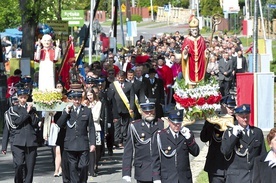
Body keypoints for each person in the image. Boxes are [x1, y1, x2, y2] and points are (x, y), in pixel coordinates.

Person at [57, 87, 96, 183]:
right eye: (75, 99)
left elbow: (91, 128)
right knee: (73, 167)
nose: (77, 101)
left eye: (78, 99)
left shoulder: (86, 110)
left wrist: (92, 143)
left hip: (83, 144)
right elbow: (60, 124)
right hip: (70, 144)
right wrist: (66, 112)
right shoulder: (68, 111)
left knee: (83, 166)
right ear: (72, 100)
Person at [221, 104, 267, 183]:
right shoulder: (229, 132)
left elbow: (262, 155)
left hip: (254, 177)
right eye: (242, 117)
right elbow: (225, 151)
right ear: (237, 117)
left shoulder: (257, 132)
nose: (245, 119)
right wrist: (234, 136)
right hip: (236, 178)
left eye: (247, 116)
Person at [152, 109, 200, 183]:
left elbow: (196, 152)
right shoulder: (160, 136)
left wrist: (189, 138)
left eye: (179, 123)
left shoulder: (186, 134)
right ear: (169, 121)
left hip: (184, 179)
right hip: (168, 179)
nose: (177, 126)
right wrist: (156, 177)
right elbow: (155, 159)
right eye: (174, 123)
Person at [122, 102, 164, 183]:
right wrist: (126, 172)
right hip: (142, 170)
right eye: (146, 112)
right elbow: (128, 150)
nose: (149, 113)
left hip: (160, 169)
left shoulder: (161, 124)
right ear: (141, 111)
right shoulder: (135, 126)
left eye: (151, 111)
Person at [200, 95, 236, 183]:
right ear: (222, 106)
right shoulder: (213, 120)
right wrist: (211, 122)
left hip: (232, 166)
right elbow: (204, 138)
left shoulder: (237, 121)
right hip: (216, 165)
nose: (232, 110)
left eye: (233, 107)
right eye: (229, 107)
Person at [8, 87, 40, 183]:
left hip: (31, 141)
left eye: (25, 97)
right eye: (21, 97)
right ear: (18, 98)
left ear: (27, 98)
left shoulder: (32, 109)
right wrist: (26, 112)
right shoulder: (14, 109)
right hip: (18, 141)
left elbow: (35, 123)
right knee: (19, 164)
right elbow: (17, 122)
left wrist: (30, 112)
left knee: (30, 168)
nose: (23, 99)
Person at [108, 70, 135, 147]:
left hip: (126, 108)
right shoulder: (112, 85)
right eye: (119, 78)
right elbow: (110, 97)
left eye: (122, 78)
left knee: (126, 125)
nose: (120, 79)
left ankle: (125, 139)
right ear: (117, 77)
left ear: (125, 77)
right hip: (115, 108)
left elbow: (132, 97)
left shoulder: (129, 85)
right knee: (116, 125)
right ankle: (117, 140)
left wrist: (131, 107)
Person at [181, 16, 208, 83]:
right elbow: (183, 54)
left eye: (196, 30)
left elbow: (204, 51)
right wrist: (185, 52)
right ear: (190, 30)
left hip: (200, 62)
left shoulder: (201, 39)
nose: (195, 32)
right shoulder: (187, 40)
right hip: (190, 62)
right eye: (193, 30)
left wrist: (207, 53)